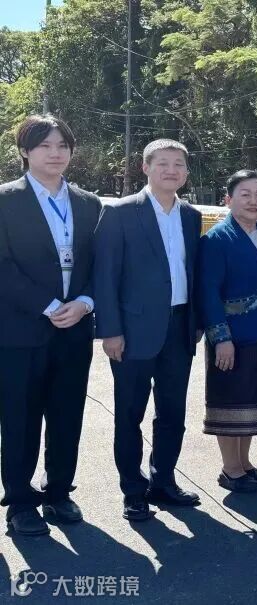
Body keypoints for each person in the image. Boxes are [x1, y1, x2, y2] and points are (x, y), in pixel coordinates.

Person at [0, 115, 101, 535]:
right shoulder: (5, 200)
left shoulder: (89, 203)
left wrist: (85, 302)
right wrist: (48, 305)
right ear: (25, 151)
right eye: (45, 145)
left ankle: (59, 491)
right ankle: (20, 502)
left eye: (62, 145)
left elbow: (101, 264)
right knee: (20, 418)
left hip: (75, 328)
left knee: (66, 414)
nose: (55, 153)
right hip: (21, 330)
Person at [95, 139, 203, 521]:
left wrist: (196, 323)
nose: (171, 170)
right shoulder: (120, 212)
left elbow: (193, 271)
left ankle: (164, 481)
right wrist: (110, 330)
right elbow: (105, 275)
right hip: (133, 330)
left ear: (186, 172)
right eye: (163, 163)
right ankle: (133, 490)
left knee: (172, 412)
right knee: (130, 414)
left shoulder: (191, 215)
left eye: (178, 164)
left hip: (180, 326)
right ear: (145, 168)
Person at [197, 170, 257, 492]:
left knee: (252, 397)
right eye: (245, 194)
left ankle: (245, 462)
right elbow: (208, 292)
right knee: (231, 399)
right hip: (232, 333)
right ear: (228, 199)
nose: (254, 201)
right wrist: (221, 338)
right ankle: (230, 469)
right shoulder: (216, 239)